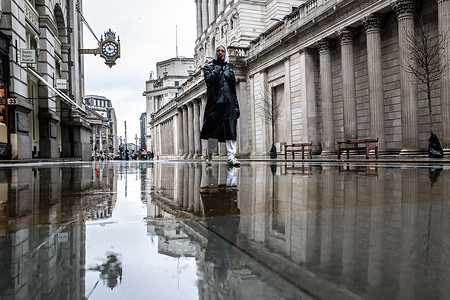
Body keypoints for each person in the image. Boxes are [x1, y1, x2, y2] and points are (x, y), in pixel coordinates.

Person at [200, 45, 241, 167]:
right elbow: (209, 80)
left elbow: (233, 91)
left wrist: (237, 107)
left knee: (230, 131)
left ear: (225, 53)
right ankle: (210, 154)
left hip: (229, 105)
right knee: (213, 132)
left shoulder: (230, 71)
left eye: (222, 51)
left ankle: (231, 157)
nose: (220, 53)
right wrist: (218, 66)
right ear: (215, 53)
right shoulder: (208, 68)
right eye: (218, 51)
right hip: (214, 105)